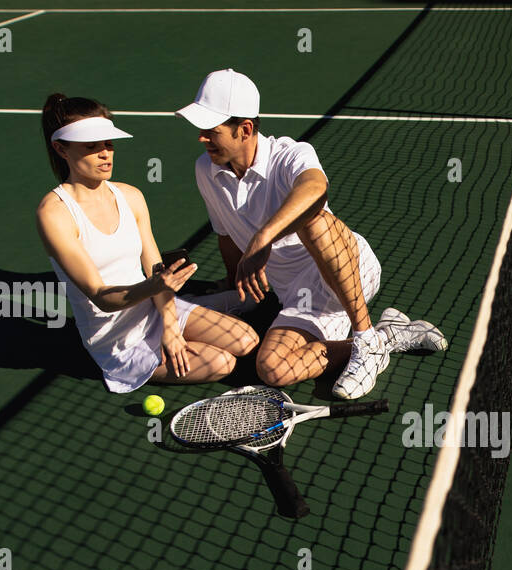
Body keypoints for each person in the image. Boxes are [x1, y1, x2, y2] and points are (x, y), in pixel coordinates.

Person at [176, 69, 446, 400]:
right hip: (299, 297)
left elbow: (316, 189)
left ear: (244, 130)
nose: (202, 138)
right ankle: (386, 337)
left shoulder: (289, 155)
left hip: (347, 269)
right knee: (272, 370)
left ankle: (365, 336)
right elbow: (225, 234)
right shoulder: (206, 170)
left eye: (211, 131)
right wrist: (235, 282)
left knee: (312, 218)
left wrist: (263, 238)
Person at [36, 93, 259, 393]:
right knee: (222, 363)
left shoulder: (131, 196)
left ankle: (195, 308)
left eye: (109, 144)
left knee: (247, 340)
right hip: (116, 338)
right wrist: (156, 286)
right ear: (61, 149)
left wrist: (170, 326)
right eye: (91, 147)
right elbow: (101, 297)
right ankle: (201, 309)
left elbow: (155, 270)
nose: (105, 154)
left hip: (155, 308)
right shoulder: (55, 214)